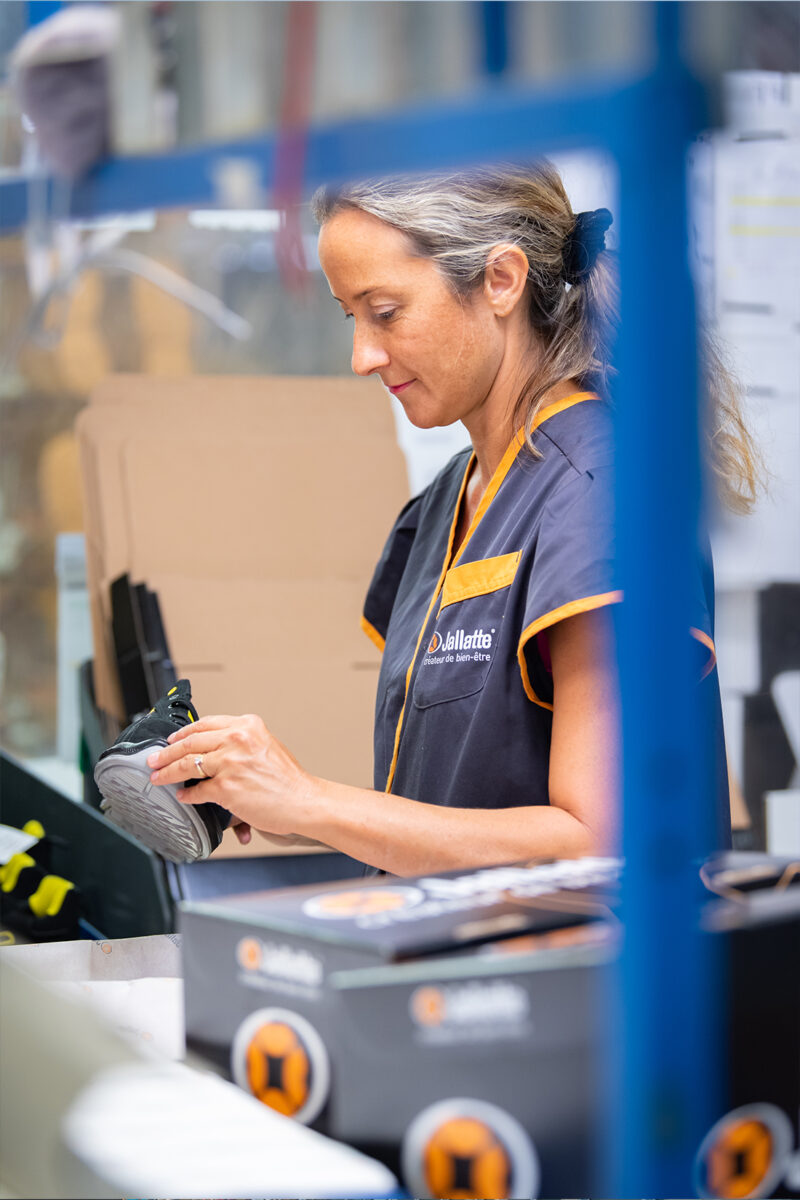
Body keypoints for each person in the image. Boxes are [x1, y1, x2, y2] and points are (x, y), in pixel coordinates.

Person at [146, 164, 760, 876]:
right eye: (352, 317)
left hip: (584, 979)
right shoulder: (449, 500)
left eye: (385, 311)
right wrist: (276, 800)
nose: (362, 357)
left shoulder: (598, 492)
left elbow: (604, 841)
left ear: (501, 280)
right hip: (462, 963)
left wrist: (313, 800)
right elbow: (453, 798)